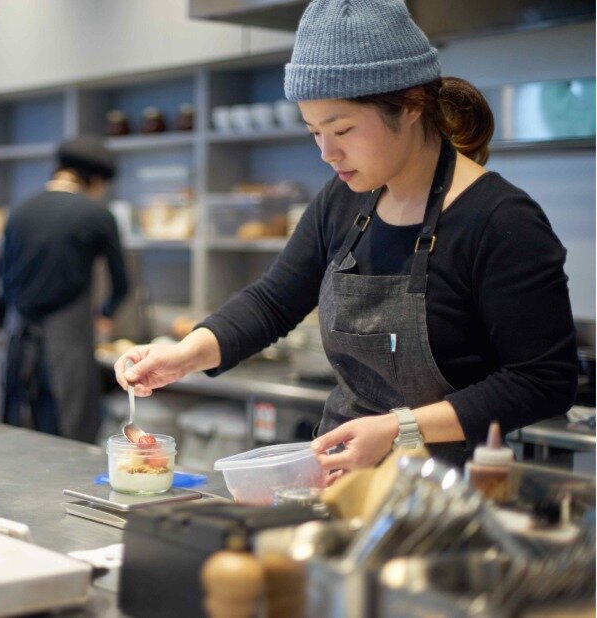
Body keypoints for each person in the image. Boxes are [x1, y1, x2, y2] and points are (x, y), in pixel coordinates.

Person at [116, 0, 577, 476]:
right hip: (338, 482)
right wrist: (182, 356)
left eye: (342, 129)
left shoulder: (500, 221)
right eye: (314, 131)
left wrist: (399, 429)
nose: (327, 152)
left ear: (413, 104)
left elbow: (543, 380)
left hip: (447, 500)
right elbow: (274, 301)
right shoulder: (343, 200)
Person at [2, 136, 129, 442]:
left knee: (18, 428)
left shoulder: (20, 210)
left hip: (18, 335)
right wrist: (106, 314)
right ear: (95, 180)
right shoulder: (97, 214)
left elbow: (5, 279)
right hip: (68, 339)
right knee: (71, 430)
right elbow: (122, 283)